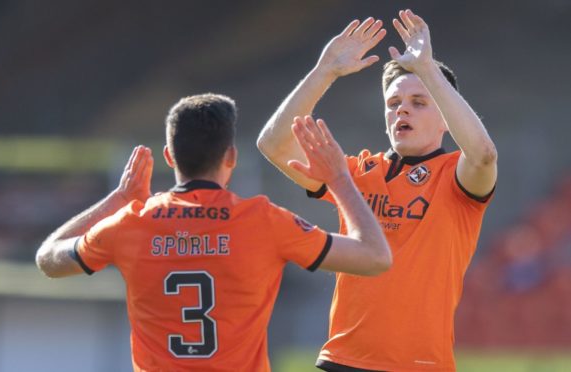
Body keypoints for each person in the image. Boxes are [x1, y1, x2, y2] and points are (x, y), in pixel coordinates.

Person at [35, 93, 391, 371]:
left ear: (170, 157)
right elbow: (375, 257)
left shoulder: (130, 222)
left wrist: (119, 198)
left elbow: (48, 259)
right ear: (231, 156)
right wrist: (340, 179)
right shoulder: (263, 220)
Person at [257, 9, 497, 372]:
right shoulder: (353, 172)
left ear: (447, 118)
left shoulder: (456, 176)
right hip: (341, 360)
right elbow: (273, 145)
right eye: (393, 104)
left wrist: (428, 69)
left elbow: (483, 155)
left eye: (419, 103)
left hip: (421, 365)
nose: (402, 111)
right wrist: (324, 72)